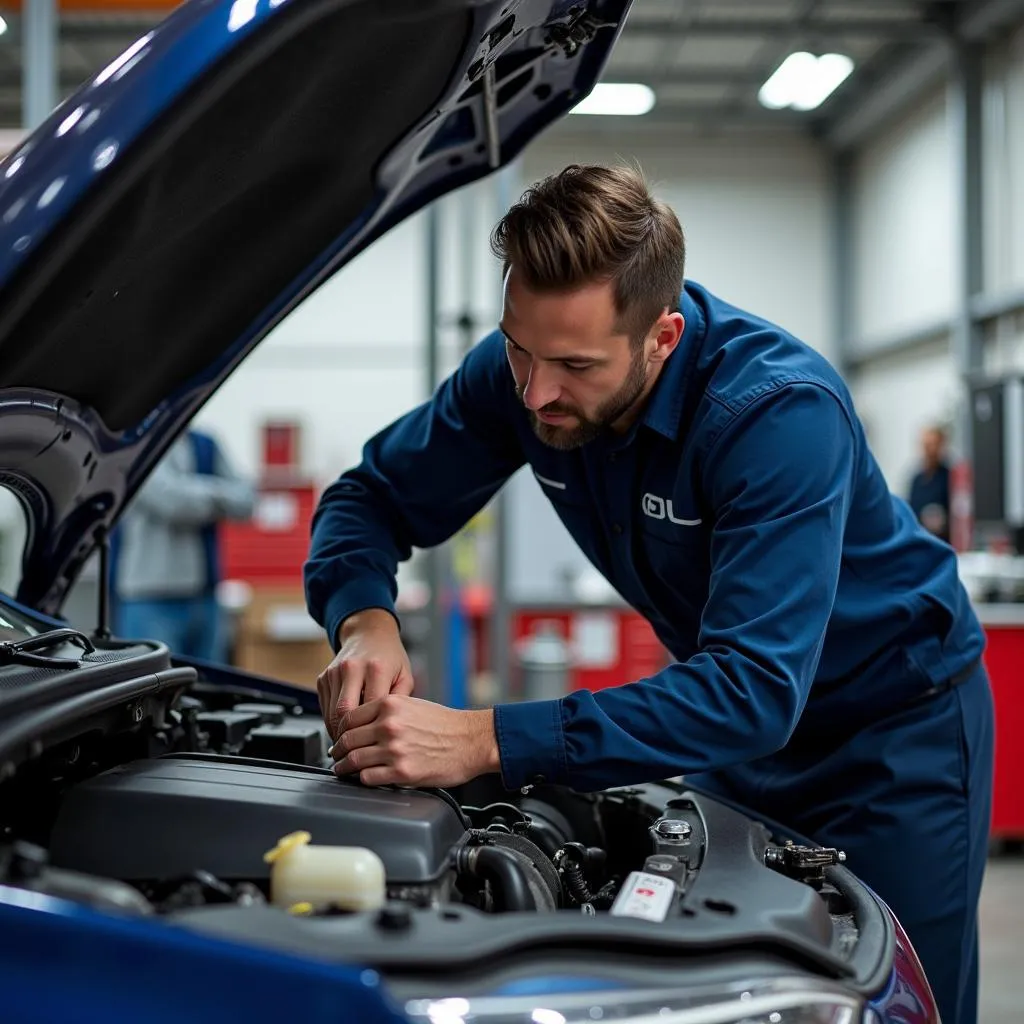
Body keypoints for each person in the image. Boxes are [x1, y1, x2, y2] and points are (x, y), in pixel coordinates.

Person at [304, 165, 993, 1024]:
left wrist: (485, 738)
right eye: (520, 348)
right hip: (736, 729)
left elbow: (752, 689)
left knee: (889, 1000)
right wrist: (363, 620)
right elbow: (367, 498)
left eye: (575, 365)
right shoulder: (520, 375)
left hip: (892, 733)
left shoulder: (777, 415)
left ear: (662, 338)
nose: (536, 393)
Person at [114, 428, 256, 662]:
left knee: (207, 689)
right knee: (152, 689)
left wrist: (194, 493)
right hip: (149, 598)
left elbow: (247, 501)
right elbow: (174, 504)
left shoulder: (206, 443)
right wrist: (220, 495)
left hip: (205, 598)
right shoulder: (137, 444)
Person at [908, 424, 952, 542]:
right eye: (927, 445)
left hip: (944, 543)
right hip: (921, 543)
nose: (930, 450)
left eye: (934, 445)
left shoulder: (950, 478)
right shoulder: (916, 481)